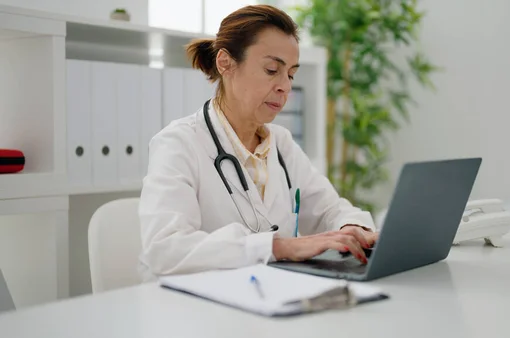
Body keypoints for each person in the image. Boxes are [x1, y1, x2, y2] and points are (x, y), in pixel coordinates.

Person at [138, 4, 377, 281]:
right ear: (225, 63)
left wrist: (352, 229)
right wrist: (279, 246)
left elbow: (329, 209)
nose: (285, 86)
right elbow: (164, 249)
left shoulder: (281, 143)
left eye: (290, 74)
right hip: (199, 311)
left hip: (270, 298)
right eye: (272, 69)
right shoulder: (178, 144)